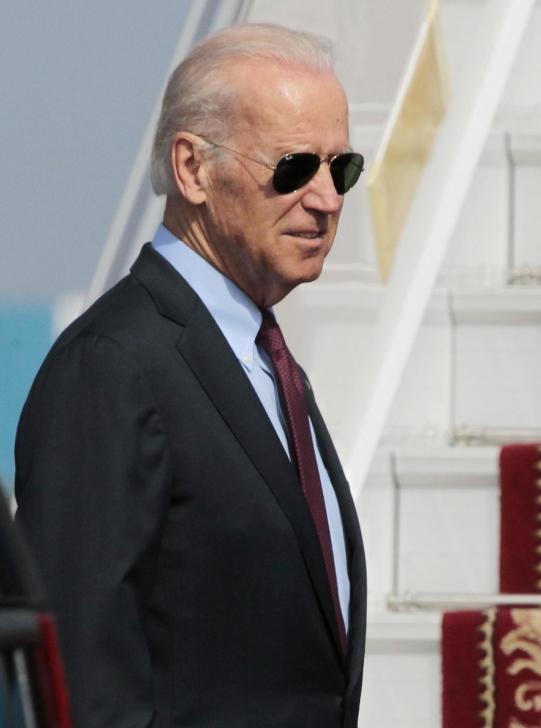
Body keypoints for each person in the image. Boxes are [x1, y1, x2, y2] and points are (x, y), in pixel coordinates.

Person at [15, 23, 367, 727]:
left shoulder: (265, 363)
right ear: (192, 169)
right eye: (295, 167)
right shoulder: (113, 366)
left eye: (343, 169)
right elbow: (79, 678)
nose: (327, 199)